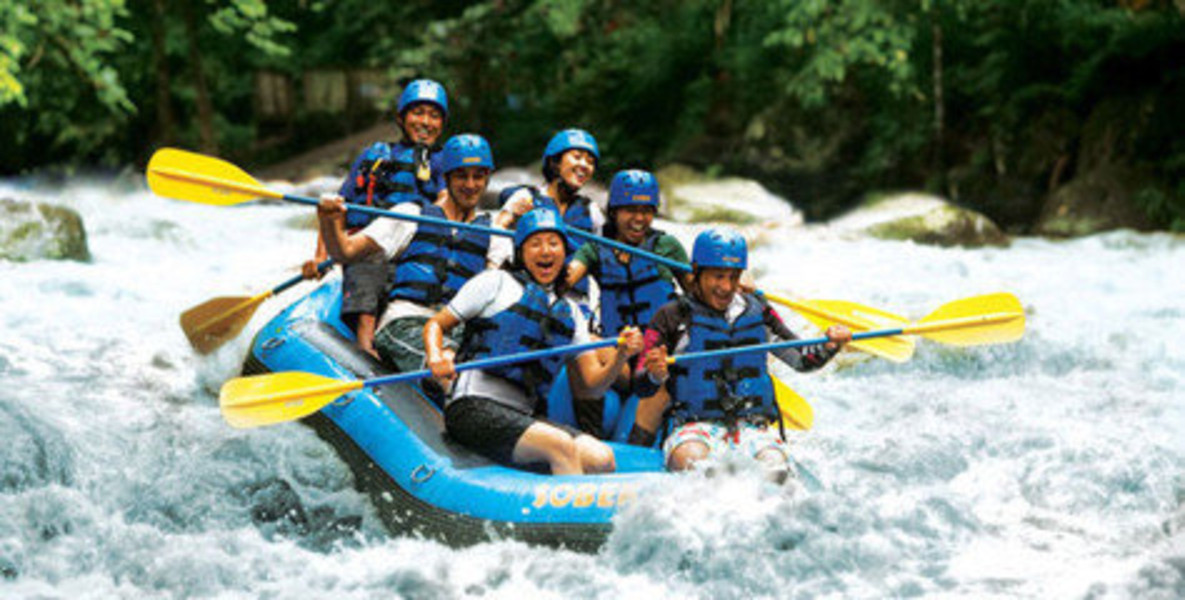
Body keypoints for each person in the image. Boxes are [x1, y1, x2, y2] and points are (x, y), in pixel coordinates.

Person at [424, 208, 644, 475]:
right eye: (535, 244)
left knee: (601, 458)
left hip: (523, 416)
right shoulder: (495, 282)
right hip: (472, 408)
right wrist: (436, 356)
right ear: (521, 252)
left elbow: (591, 389)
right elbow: (436, 324)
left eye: (554, 243)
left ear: (564, 253)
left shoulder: (571, 312)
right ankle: (571, 516)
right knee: (561, 445)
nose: (546, 251)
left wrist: (620, 354)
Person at [633, 227, 852, 478]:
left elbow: (803, 360)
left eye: (734, 277)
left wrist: (830, 346)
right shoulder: (671, 315)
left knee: (776, 468)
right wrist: (654, 374)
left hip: (751, 428)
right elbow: (641, 384)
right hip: (695, 427)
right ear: (696, 272)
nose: (726, 287)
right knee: (691, 460)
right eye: (718, 276)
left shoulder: (758, 311)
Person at [316, 133, 508, 376]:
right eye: (461, 176)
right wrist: (330, 221)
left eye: (478, 176)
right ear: (447, 177)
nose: (470, 185)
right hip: (406, 322)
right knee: (453, 366)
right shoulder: (410, 216)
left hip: (457, 331)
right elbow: (345, 251)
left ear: (488, 178)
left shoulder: (496, 235)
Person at [304, 78, 450, 357]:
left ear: (442, 123)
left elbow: (447, 200)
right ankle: (365, 344)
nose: (425, 122)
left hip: (412, 246)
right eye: (418, 113)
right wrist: (321, 256)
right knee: (370, 258)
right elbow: (336, 209)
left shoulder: (443, 161)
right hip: (366, 244)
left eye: (434, 115)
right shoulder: (375, 155)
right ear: (401, 117)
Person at [564, 169, 690, 436]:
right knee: (580, 343)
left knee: (667, 367)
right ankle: (590, 436)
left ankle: (638, 444)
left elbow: (700, 291)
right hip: (620, 356)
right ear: (614, 211)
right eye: (630, 210)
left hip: (659, 356)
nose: (639, 219)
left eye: (646, 210)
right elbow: (567, 277)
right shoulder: (596, 248)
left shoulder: (666, 246)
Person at [492, 129, 604, 291]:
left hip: (574, 298)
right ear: (556, 162)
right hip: (526, 291)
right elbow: (497, 231)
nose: (584, 165)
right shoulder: (525, 198)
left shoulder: (592, 211)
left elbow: (600, 256)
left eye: (590, 162)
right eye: (577, 157)